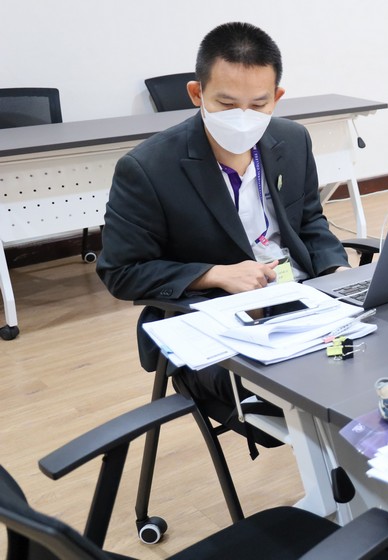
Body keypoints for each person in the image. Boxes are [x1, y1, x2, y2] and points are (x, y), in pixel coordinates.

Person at [97, 22, 349, 443]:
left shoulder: (292, 140)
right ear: (197, 93)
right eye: (227, 104)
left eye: (258, 104)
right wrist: (212, 274)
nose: (243, 118)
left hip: (302, 301)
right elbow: (121, 272)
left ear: (277, 98)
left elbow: (310, 223)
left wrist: (337, 272)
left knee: (367, 360)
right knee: (313, 389)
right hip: (214, 319)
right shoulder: (147, 168)